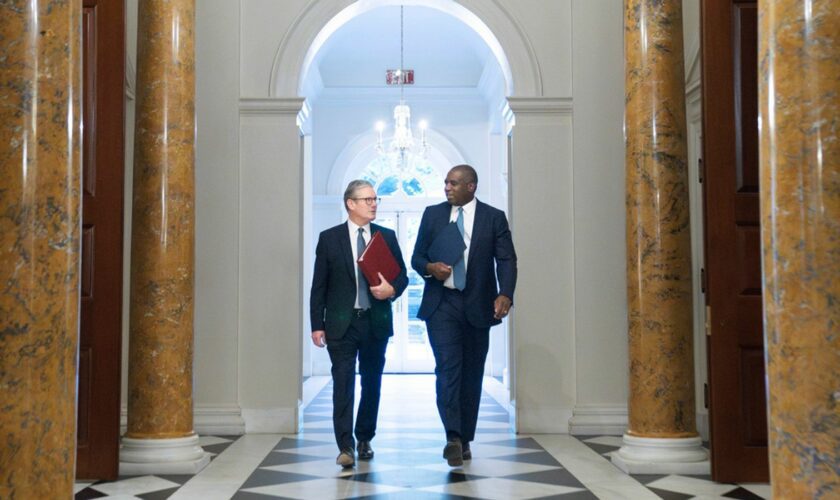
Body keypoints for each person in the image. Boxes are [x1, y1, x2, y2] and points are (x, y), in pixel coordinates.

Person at [411, 164, 517, 467]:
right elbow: (417, 256)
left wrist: (506, 293)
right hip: (441, 303)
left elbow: (507, 259)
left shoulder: (493, 218)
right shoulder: (433, 215)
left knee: (471, 374)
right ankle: (452, 437)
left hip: (477, 305)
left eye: (453, 183)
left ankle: (465, 437)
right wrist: (430, 268)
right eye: (445, 182)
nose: (447, 187)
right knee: (447, 370)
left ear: (471, 186)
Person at [310, 180, 408, 468]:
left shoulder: (386, 237)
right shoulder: (330, 238)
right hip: (341, 324)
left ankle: (364, 437)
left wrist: (392, 290)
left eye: (375, 199)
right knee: (343, 383)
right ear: (350, 203)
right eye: (367, 199)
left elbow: (401, 276)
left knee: (372, 382)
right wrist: (317, 324)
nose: (373, 204)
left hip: (375, 321)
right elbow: (319, 286)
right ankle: (345, 445)